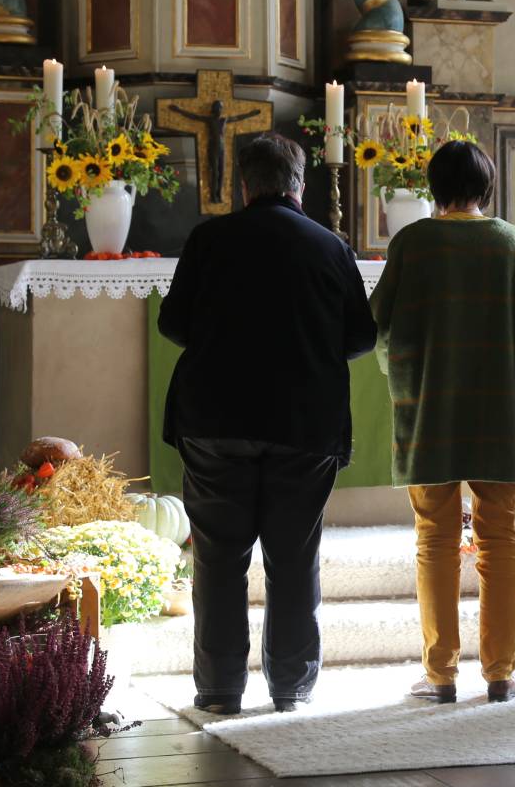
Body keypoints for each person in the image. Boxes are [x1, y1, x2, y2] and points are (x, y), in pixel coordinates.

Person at [157, 134, 376, 716]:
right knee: (293, 556)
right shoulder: (331, 246)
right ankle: (291, 688)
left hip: (214, 419)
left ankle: (221, 689)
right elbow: (360, 337)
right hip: (303, 422)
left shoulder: (210, 239)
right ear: (299, 184)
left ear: (244, 185)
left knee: (219, 557)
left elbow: (173, 324)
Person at [370, 141, 515, 703]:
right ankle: (499, 674)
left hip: (431, 412)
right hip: (499, 410)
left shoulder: (415, 242)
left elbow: (379, 321)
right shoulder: (514, 243)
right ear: (486, 188)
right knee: (500, 543)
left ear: (434, 186)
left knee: (436, 540)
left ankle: (441, 675)